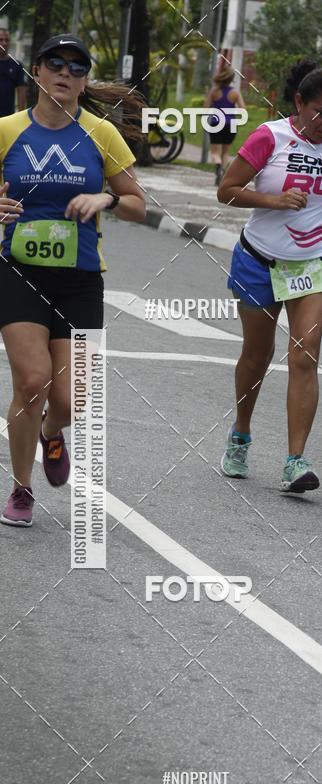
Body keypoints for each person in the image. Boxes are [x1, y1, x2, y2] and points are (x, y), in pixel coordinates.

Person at [0, 34, 146, 527]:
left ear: (84, 82)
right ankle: (22, 489)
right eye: (56, 63)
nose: (65, 72)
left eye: (77, 67)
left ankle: (52, 431)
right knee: (32, 381)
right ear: (37, 71)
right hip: (18, 272)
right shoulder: (6, 130)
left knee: (71, 399)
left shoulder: (101, 134)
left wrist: (107, 198)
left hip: (80, 280)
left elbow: (138, 203)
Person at [217, 61, 322, 493]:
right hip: (260, 261)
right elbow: (227, 191)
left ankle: (295, 461)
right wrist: (275, 200)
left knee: (305, 354)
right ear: (299, 103)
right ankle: (241, 434)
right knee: (256, 356)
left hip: (316, 262)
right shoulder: (269, 137)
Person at [206, 64, 245, 186]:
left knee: (215, 152)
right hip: (231, 125)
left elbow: (205, 108)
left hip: (216, 123)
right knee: (225, 152)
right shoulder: (235, 93)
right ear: (231, 79)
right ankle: (222, 173)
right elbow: (243, 109)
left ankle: (218, 166)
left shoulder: (214, 92)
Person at [0, 28, 26, 117]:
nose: (4, 43)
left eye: (7, 40)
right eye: (0, 40)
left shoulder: (17, 65)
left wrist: (21, 117)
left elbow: (21, 92)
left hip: (8, 117)